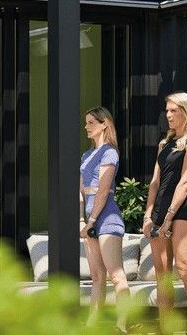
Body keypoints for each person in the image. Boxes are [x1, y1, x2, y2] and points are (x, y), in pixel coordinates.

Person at [142, 92, 187, 335]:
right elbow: (155, 183)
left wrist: (169, 217)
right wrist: (149, 215)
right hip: (160, 211)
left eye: (174, 111)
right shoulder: (164, 143)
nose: (168, 115)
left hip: (185, 208)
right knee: (162, 275)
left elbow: (186, 181)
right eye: (167, 110)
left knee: (184, 267)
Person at [79, 106, 130, 333]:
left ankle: (122, 325)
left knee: (116, 275)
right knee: (96, 277)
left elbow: (102, 189)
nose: (86, 127)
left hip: (107, 217)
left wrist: (91, 221)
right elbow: (81, 191)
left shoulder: (110, 152)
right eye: (86, 122)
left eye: (91, 122)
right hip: (89, 219)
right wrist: (82, 220)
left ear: (104, 124)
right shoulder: (85, 155)